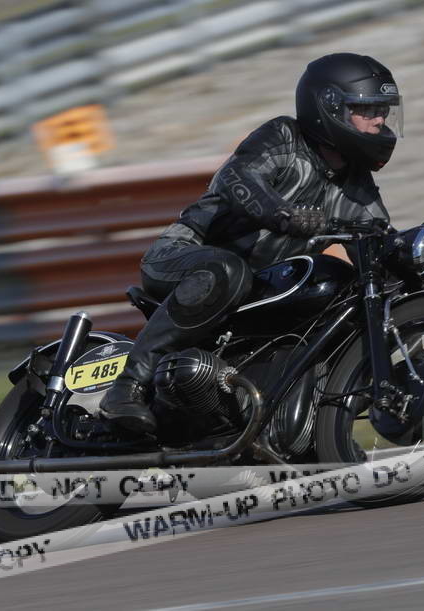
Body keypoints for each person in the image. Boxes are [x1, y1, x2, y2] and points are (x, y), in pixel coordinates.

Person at [99, 52, 404, 434]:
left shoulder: (356, 184)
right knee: (228, 271)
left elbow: (377, 239)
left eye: (383, 110)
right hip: (184, 256)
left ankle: (292, 424)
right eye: (367, 109)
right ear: (329, 108)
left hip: (257, 290)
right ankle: (126, 388)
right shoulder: (284, 138)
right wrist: (284, 214)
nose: (379, 120)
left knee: (339, 296)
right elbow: (238, 178)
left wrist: (410, 262)